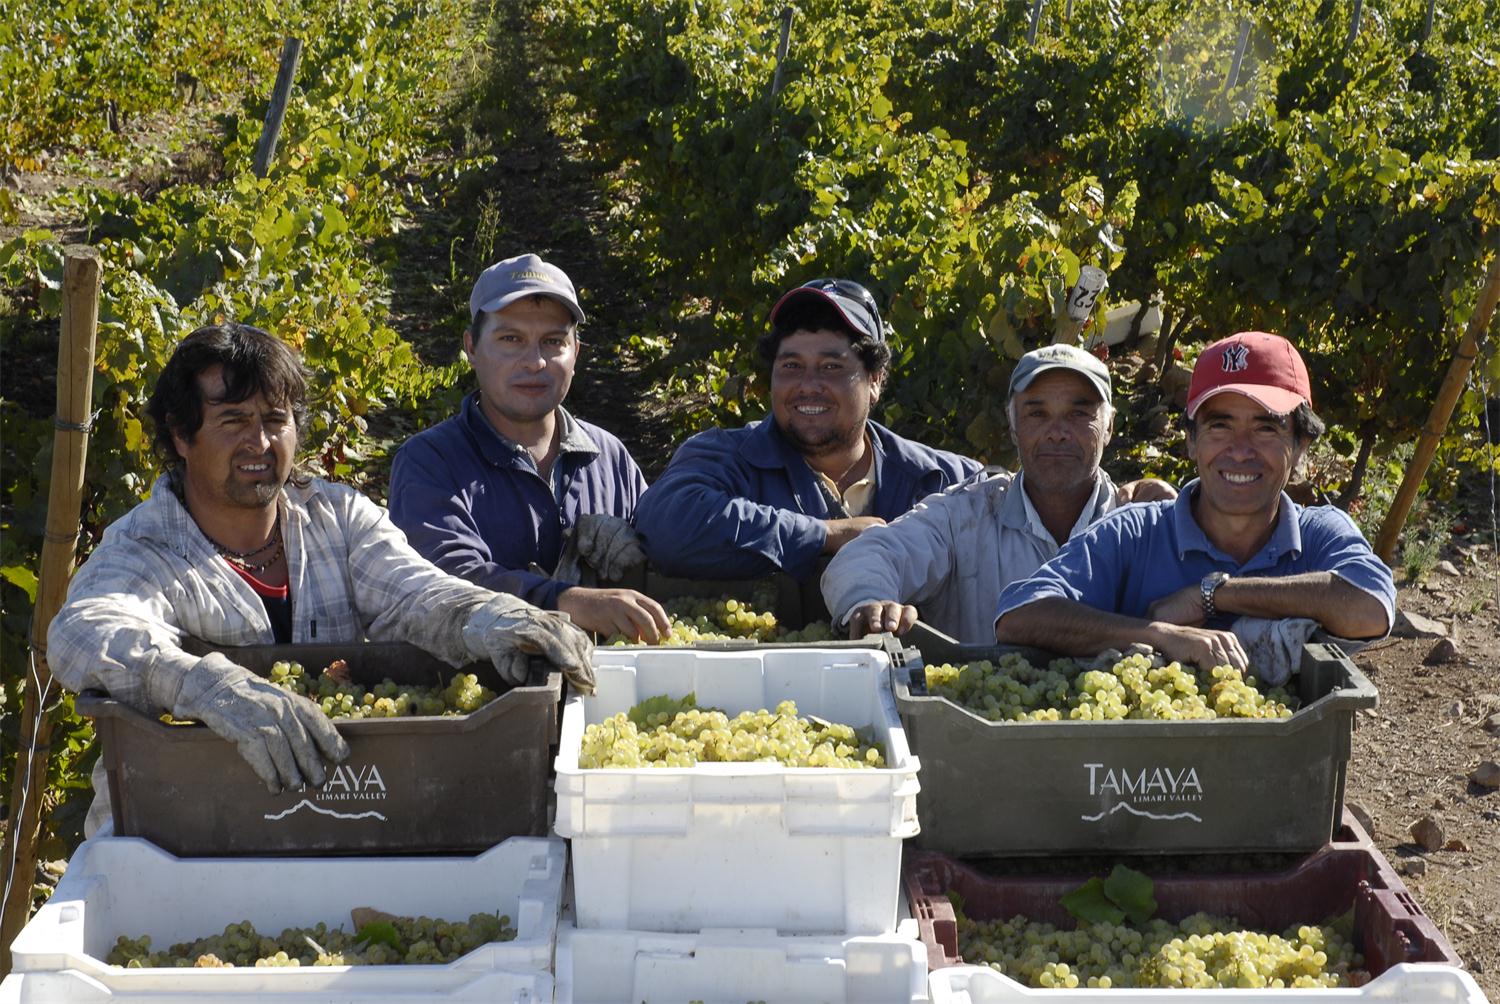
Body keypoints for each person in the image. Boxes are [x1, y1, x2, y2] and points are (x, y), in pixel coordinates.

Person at [48, 322, 595, 819]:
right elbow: (82, 631)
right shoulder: (146, 546)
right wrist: (203, 685)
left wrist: (487, 615)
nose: (258, 443)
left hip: (336, 813)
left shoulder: (338, 519)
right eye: (232, 421)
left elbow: (414, 593)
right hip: (182, 828)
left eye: (274, 421)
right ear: (180, 437)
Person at [993, 331, 1394, 674]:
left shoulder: (1319, 534)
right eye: (1220, 425)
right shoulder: (1135, 533)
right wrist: (1156, 634)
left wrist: (1214, 594)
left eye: (1265, 427)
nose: (1240, 451)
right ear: (1190, 440)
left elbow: (1370, 606)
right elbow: (1018, 615)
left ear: (1301, 444)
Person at [389, 253, 669, 642]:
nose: (535, 361)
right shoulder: (430, 462)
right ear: (471, 347)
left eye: (553, 342)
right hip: (493, 698)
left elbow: (660, 562)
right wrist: (572, 602)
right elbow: (447, 583)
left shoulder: (609, 457)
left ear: (576, 353)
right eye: (510, 339)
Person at [822, 343, 1176, 644]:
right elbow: (867, 556)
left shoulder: (1141, 526)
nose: (1057, 432)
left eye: (1078, 413)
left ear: (1109, 426)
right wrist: (869, 600)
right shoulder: (965, 516)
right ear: (1013, 425)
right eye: (1037, 413)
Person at [633, 278, 981, 580]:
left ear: (874, 381)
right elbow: (666, 522)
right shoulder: (724, 457)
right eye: (791, 366)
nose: (808, 385)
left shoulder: (946, 479)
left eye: (831, 366)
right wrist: (824, 536)